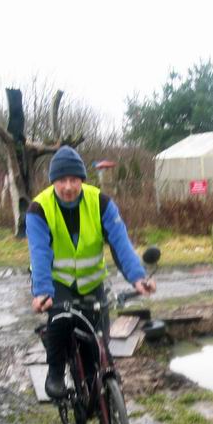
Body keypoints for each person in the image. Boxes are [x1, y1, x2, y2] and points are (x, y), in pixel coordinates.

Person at [26, 146, 155, 399]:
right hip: (57, 282)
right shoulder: (38, 208)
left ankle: (105, 407)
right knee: (60, 319)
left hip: (93, 283)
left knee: (98, 347)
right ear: (53, 182)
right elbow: (39, 253)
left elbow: (120, 244)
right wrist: (42, 292)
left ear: (82, 180)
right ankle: (54, 373)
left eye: (74, 180)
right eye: (61, 180)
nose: (68, 187)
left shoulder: (101, 203)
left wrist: (138, 277)